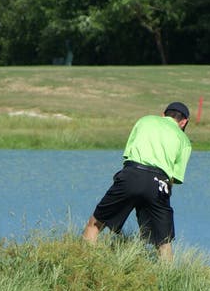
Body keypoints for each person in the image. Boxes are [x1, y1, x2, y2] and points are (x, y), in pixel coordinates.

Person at [82, 102, 192, 261]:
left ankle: (84, 264)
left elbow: (128, 155)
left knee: (95, 224)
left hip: (132, 174)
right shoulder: (184, 140)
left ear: (163, 114)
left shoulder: (145, 120)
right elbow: (174, 178)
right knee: (163, 242)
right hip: (160, 182)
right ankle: (168, 279)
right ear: (184, 122)